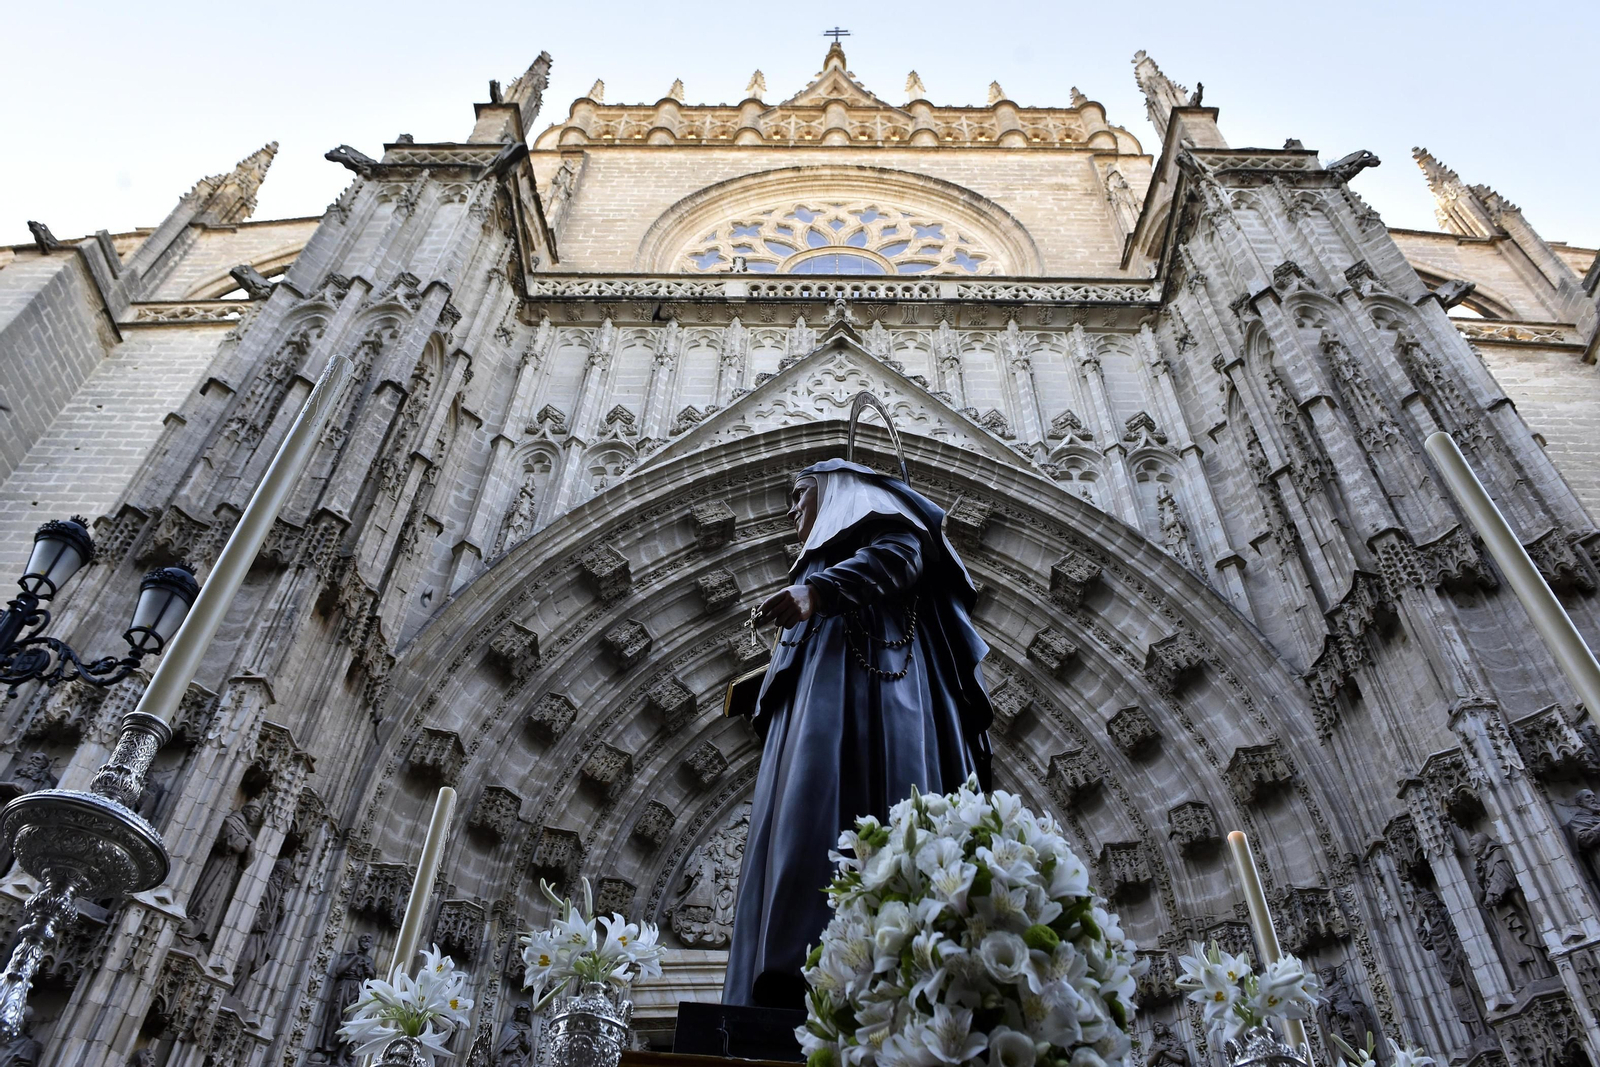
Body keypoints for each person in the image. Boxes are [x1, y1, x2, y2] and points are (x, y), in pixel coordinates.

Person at [722, 459, 993, 1009]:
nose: (792, 510)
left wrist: (817, 593)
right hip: (824, 701)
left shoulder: (875, 533)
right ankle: (791, 963)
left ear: (840, 492)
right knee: (803, 816)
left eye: (802, 495)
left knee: (830, 803)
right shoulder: (822, 565)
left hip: (873, 694)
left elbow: (900, 556)